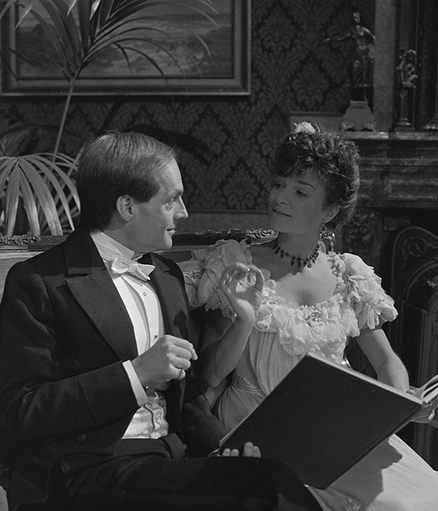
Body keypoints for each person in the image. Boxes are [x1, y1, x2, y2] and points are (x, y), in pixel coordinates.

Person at [0, 131, 325, 511]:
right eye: (171, 200)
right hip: (85, 469)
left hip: (168, 460)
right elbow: (17, 412)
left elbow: (190, 395)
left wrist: (223, 450)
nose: (183, 212)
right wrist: (135, 374)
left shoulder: (166, 277)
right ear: (127, 206)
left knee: (265, 473)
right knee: (268, 486)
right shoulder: (39, 282)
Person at [181, 123, 438, 511]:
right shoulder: (236, 263)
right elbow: (210, 375)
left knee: (435, 501)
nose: (279, 197)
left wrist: (401, 401)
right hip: (260, 428)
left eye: (300, 191)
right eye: (278, 184)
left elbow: (386, 361)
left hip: (334, 430)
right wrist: (244, 319)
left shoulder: (348, 274)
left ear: (330, 210)